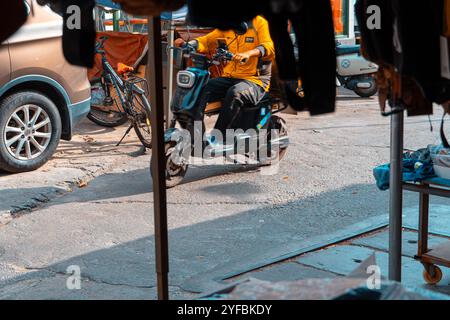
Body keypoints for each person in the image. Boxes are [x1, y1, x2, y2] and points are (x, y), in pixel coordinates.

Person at [174, 15, 275, 145]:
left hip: (255, 80)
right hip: (230, 76)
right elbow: (207, 40)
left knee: (235, 93)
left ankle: (219, 137)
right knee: (199, 90)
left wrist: (249, 53)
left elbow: (269, 46)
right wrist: (188, 44)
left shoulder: (259, 22)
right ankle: (197, 137)